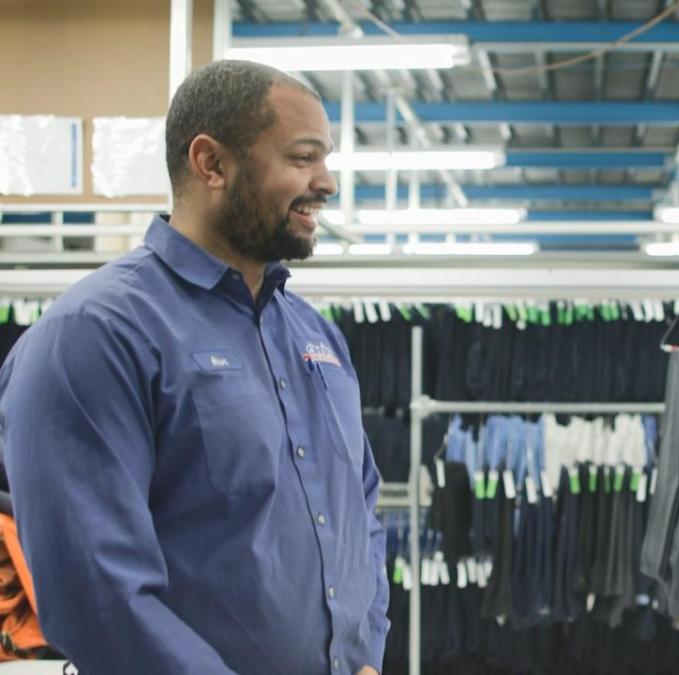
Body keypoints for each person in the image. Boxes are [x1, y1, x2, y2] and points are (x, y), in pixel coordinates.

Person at [0, 60, 388, 674]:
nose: (327, 183)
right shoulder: (95, 337)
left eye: (326, 158)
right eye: (302, 157)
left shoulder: (318, 339)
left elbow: (360, 514)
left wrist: (364, 654)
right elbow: (97, 594)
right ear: (211, 164)